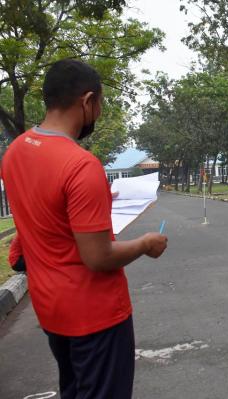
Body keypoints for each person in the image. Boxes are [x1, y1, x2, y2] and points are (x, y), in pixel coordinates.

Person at [1, 59, 168, 398]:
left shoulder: (15, 152)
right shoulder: (80, 165)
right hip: (95, 317)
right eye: (101, 104)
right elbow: (98, 256)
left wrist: (98, 200)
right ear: (87, 100)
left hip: (51, 309)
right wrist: (146, 243)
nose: (99, 111)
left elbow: (45, 212)